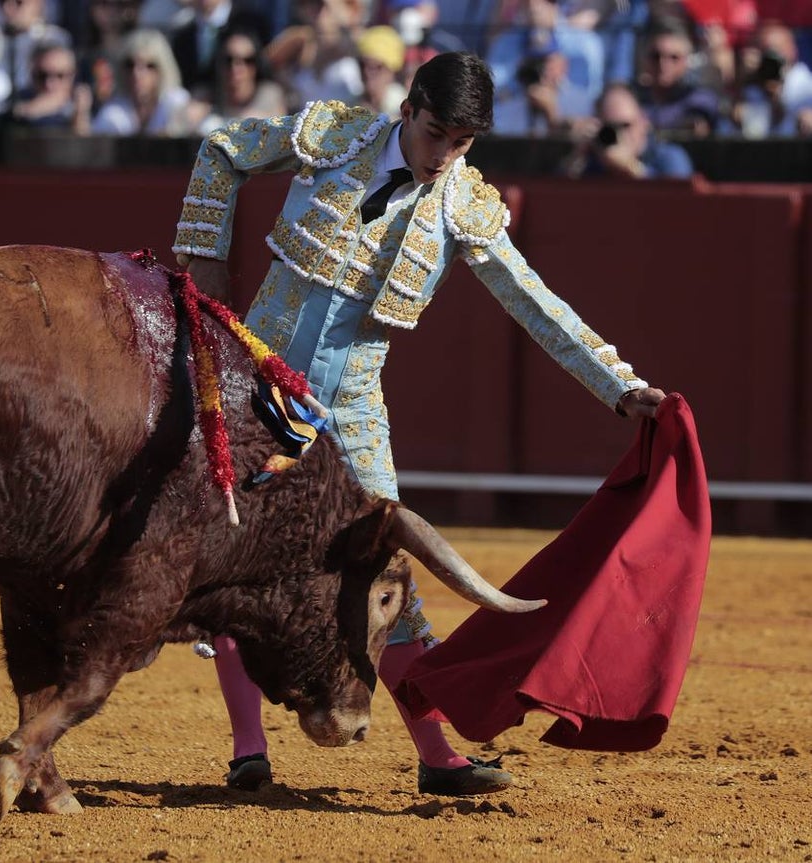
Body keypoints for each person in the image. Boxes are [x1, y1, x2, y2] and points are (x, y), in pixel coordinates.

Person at [172, 51, 666, 796]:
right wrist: (204, 262)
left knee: (389, 576)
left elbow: (534, 300)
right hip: (260, 384)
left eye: (463, 143)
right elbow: (221, 149)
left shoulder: (463, 203)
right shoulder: (333, 134)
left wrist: (620, 384)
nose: (445, 157)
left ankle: (437, 756)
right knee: (237, 558)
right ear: (408, 110)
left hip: (355, 405)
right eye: (437, 134)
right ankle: (249, 750)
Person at [563, 81, 693, 178]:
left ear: (644, 122)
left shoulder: (669, 158)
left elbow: (678, 203)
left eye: (625, 126)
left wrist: (631, 167)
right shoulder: (594, 159)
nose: (619, 134)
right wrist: (578, 157)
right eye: (611, 127)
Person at [185, 22, 286, 134]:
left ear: (256, 65)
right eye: (229, 60)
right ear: (218, 64)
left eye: (247, 61)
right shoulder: (203, 97)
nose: (236, 69)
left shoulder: (269, 94)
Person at [89, 27, 190, 135]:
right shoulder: (112, 113)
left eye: (149, 65)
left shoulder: (176, 104)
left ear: (163, 69)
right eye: (130, 65)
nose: (137, 73)